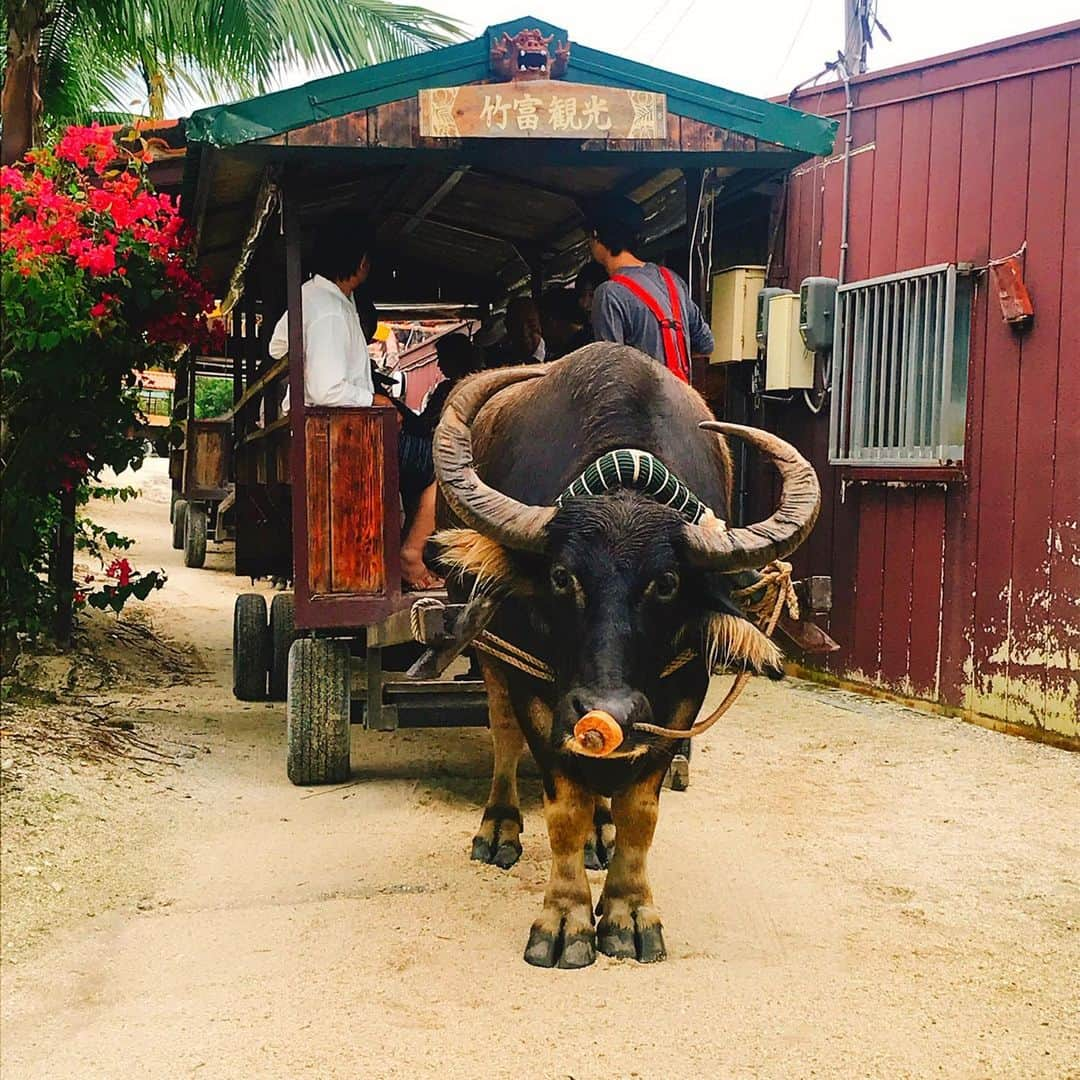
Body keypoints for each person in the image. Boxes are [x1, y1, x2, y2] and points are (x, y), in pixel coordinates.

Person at [268, 217, 441, 591]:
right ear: (361, 262)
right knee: (438, 466)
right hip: (342, 437)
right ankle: (411, 554)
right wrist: (373, 399)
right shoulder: (330, 308)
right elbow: (329, 389)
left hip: (331, 432)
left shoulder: (312, 295)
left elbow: (276, 347)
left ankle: (399, 545)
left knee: (412, 456)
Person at [586, 195, 714, 381]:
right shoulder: (673, 281)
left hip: (642, 408)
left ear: (597, 235)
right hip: (683, 405)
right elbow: (706, 344)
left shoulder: (609, 293)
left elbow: (611, 375)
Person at [487, 296, 546, 366]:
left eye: (531, 325)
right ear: (508, 327)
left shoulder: (558, 358)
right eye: (517, 326)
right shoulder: (498, 361)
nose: (525, 333)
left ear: (541, 322)